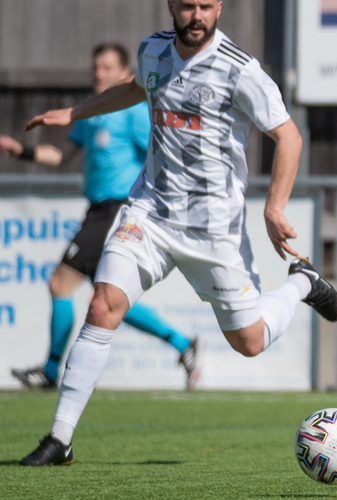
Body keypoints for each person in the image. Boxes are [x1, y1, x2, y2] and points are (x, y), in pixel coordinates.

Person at [19, 0, 337, 467]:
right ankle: (60, 438)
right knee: (102, 305)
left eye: (206, 6)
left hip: (214, 229)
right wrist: (76, 112)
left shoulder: (240, 70)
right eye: (188, 5)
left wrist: (274, 207)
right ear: (171, 5)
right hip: (149, 213)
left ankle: (302, 283)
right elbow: (135, 87)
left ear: (220, 7)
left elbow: (289, 137)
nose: (197, 15)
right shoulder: (153, 51)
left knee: (250, 342)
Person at [3, 43, 204, 392]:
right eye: (96, 67)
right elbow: (62, 156)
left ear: (125, 73)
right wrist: (21, 151)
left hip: (117, 209)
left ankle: (50, 371)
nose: (98, 74)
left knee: (62, 283)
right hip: (98, 210)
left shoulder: (133, 112)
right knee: (108, 298)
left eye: (107, 68)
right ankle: (182, 344)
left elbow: (161, 152)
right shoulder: (93, 113)